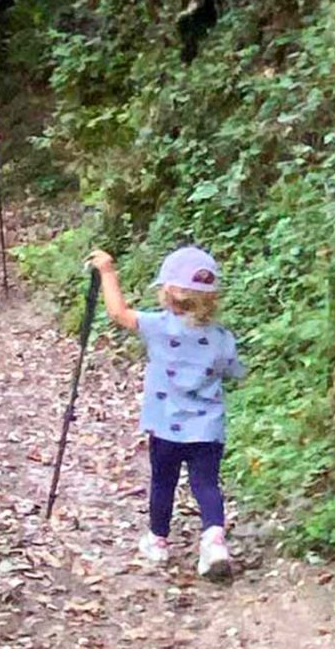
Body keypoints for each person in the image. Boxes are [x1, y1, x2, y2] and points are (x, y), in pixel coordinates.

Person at [86, 245, 244, 579]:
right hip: (207, 429)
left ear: (168, 293)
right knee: (206, 484)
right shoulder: (222, 338)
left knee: (163, 482)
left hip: (165, 425)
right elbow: (234, 371)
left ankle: (158, 541)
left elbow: (117, 312)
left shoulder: (158, 326)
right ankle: (214, 540)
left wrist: (107, 271)